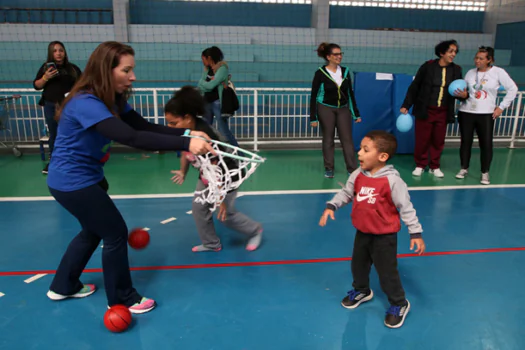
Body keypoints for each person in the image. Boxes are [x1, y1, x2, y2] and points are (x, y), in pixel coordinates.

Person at [46, 42, 215, 314]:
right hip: (73, 182)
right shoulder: (85, 102)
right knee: (114, 233)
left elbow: (143, 126)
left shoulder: (110, 99)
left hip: (83, 178)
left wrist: (189, 134)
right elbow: (131, 137)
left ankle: (63, 285)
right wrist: (186, 145)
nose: (133, 77)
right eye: (126, 70)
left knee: (93, 231)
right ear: (106, 70)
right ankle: (123, 298)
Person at [319, 130, 426, 329]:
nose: (359, 153)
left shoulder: (393, 181)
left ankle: (399, 303)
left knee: (387, 274)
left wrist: (415, 233)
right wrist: (332, 205)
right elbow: (346, 193)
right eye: (360, 148)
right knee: (358, 266)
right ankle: (361, 290)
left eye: (365, 150)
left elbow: (406, 207)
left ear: (382, 157)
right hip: (362, 232)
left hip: (385, 237)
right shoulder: (357, 175)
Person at [167, 86, 263, 252]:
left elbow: (216, 171)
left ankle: (255, 230)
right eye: (167, 122)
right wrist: (183, 171)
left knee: (226, 215)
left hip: (227, 176)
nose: (169, 126)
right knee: (198, 208)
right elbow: (185, 151)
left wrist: (220, 201)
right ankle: (212, 243)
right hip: (207, 174)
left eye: (173, 123)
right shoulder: (185, 131)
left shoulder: (205, 136)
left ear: (188, 118)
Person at [400, 39, 467, 178]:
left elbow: (459, 91)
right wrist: (406, 105)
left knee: (438, 140)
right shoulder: (428, 67)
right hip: (425, 110)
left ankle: (434, 166)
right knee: (422, 139)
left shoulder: (456, 70)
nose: (453, 54)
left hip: (443, 111)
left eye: (455, 52)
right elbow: (415, 86)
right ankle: (420, 164)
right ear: (442, 52)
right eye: (450, 51)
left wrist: (464, 95)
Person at [456, 46, 518, 185]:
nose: (477, 61)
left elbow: (513, 89)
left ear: (489, 60)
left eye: (481, 58)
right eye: (476, 58)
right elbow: (467, 92)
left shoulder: (498, 72)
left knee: (486, 144)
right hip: (466, 112)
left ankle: (485, 173)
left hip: (486, 114)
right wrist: (463, 95)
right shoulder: (470, 73)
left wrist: (501, 107)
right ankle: (463, 168)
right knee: (465, 142)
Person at [310, 42, 361, 179]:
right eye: (336, 54)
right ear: (328, 57)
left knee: (347, 139)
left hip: (343, 109)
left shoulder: (345, 71)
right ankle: (329, 168)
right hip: (325, 108)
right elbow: (314, 95)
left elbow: (350, 93)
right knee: (328, 139)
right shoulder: (320, 73)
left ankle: (352, 169)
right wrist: (313, 117)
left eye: (340, 54)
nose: (339, 56)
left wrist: (356, 113)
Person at [33, 41, 82, 174]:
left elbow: (82, 85)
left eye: (61, 50)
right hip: (51, 105)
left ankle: (74, 160)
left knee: (72, 132)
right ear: (51, 53)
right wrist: (45, 77)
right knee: (54, 134)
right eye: (55, 51)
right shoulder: (45, 68)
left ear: (64, 52)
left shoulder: (72, 69)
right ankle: (54, 162)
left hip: (70, 106)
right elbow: (37, 85)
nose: (58, 53)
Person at [197, 46, 239, 147]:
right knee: (206, 129)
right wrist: (205, 84)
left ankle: (239, 156)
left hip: (218, 103)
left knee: (224, 131)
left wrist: (204, 83)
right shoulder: (207, 69)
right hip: (206, 102)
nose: (202, 61)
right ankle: (210, 155)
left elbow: (209, 85)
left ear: (209, 58)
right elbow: (200, 86)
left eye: (203, 59)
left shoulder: (222, 69)